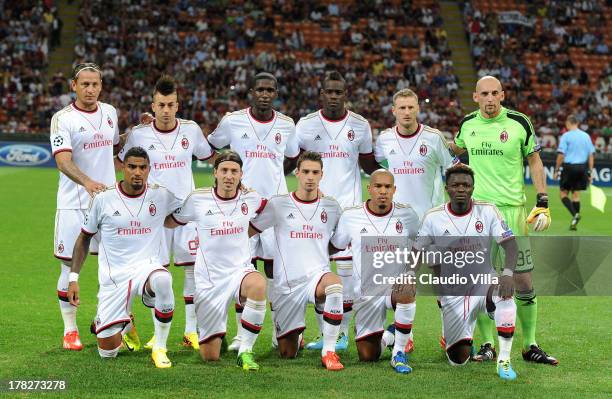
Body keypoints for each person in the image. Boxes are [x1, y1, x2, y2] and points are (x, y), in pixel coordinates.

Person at [450, 76, 558, 365]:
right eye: (484, 93)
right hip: (478, 214)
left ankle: (529, 344)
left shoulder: (519, 123)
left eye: (494, 93)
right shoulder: (468, 124)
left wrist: (543, 199)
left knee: (522, 280)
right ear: (475, 96)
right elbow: (455, 149)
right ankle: (487, 344)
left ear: (502, 94)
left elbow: (534, 160)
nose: (489, 98)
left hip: (513, 212)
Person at [118, 75, 214, 351]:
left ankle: (190, 331)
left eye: (171, 104)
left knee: (192, 271)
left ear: (177, 105)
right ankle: (154, 333)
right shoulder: (139, 133)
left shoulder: (191, 130)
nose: (166, 110)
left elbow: (209, 157)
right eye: (161, 104)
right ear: (153, 104)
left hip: (186, 213)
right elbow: (121, 161)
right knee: (155, 272)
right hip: (154, 214)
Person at [207, 72, 299, 350]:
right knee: (240, 270)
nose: (264, 94)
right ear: (251, 91)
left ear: (276, 93)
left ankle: (277, 332)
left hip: (273, 210)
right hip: (240, 210)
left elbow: (292, 157)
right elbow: (209, 147)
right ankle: (239, 334)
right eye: (259, 89)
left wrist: (272, 186)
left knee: (275, 271)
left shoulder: (286, 124)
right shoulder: (232, 121)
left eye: (270, 89)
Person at [67, 147, 182, 368]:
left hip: (146, 267)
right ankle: (124, 324)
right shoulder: (103, 199)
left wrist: (234, 190)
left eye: (142, 167)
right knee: (107, 353)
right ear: (122, 168)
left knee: (163, 279)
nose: (137, 172)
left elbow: (189, 208)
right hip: (114, 278)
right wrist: (73, 278)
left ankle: (160, 347)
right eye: (132, 167)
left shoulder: (161, 195)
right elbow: (84, 238)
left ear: (149, 170)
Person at [296, 70, 379, 351]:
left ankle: (342, 333)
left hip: (348, 211)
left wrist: (394, 177)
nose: (333, 96)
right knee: (317, 272)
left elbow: (369, 164)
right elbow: (290, 162)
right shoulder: (306, 125)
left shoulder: (360, 125)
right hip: (314, 210)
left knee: (345, 276)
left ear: (345, 94)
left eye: (338, 92)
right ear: (321, 94)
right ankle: (323, 332)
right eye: (328, 92)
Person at [414, 164, 519, 380]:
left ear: (472, 188)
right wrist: (408, 276)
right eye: (456, 185)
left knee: (505, 293)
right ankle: (455, 334)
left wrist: (507, 273)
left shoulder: (488, 210)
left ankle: (504, 361)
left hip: (483, 283)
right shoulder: (433, 217)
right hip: (454, 293)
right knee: (458, 360)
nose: (461, 189)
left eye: (466, 185)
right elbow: (416, 251)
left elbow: (510, 244)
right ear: (447, 188)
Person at [165, 151, 268, 371]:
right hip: (209, 282)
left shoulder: (251, 198)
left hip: (240, 272)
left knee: (258, 284)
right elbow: (172, 221)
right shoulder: (198, 199)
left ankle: (245, 351)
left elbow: (273, 208)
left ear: (241, 174)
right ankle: (214, 335)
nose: (229, 176)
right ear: (215, 173)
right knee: (210, 356)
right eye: (224, 170)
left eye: (234, 171)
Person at [249, 151, 345, 371]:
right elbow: (250, 229)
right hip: (287, 285)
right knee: (286, 353)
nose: (310, 177)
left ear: (322, 175)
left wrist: (320, 253)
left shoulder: (331, 207)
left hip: (317, 277)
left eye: (315, 172)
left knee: (335, 285)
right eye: (306, 172)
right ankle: (294, 335)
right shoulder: (278, 204)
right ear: (297, 173)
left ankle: (328, 351)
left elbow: (340, 240)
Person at [50, 62, 120, 351]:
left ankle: (105, 318)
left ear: (101, 86)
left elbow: (114, 147)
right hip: (73, 204)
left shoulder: (110, 113)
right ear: (73, 86)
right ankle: (70, 330)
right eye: (85, 84)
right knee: (70, 266)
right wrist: (88, 182)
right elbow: (63, 160)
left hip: (108, 204)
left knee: (114, 265)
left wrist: (144, 128)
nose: (90, 89)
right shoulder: (61, 118)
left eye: (95, 84)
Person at [330, 169, 420, 374]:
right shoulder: (351, 216)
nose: (383, 191)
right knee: (368, 356)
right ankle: (392, 333)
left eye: (387, 187)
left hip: (394, 288)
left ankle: (399, 352)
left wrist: (411, 273)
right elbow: (335, 245)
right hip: (366, 294)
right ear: (369, 188)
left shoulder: (407, 215)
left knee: (406, 290)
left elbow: (419, 243)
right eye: (378, 186)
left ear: (394, 190)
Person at [375, 88, 457, 220]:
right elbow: (378, 165)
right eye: (402, 108)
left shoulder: (434, 137)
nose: (407, 112)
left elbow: (454, 168)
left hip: (429, 217)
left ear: (418, 108)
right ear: (393, 110)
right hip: (395, 218)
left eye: (410, 107)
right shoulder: (384, 139)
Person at [554, 114, 595, 230]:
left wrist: (557, 170)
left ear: (568, 123)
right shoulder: (586, 136)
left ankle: (575, 215)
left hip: (569, 167)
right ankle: (574, 223)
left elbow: (561, 155)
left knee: (563, 194)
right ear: (577, 123)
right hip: (582, 167)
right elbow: (591, 155)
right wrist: (590, 172)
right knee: (576, 195)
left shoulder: (566, 136)